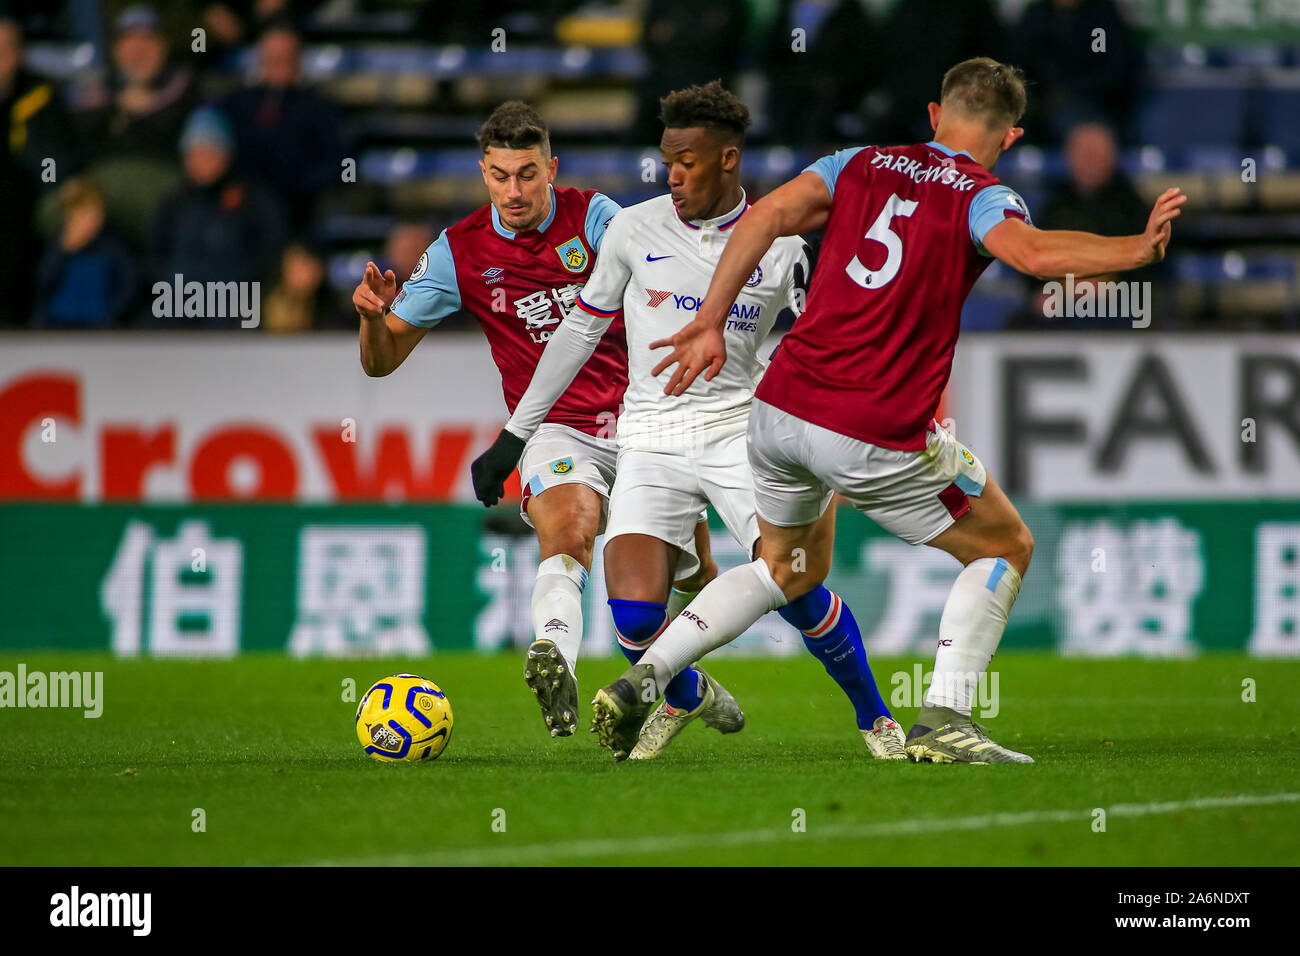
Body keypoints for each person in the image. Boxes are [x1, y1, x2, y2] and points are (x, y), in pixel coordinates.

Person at [591, 57, 1185, 763]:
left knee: (785, 569)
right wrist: (1135, 248)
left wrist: (713, 317)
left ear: (935, 117)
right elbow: (1030, 256)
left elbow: (770, 216)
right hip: (868, 426)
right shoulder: (984, 195)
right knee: (1005, 545)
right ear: (1011, 136)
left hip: (777, 409)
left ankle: (647, 675)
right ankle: (947, 718)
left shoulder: (857, 162)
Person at [475, 82, 904, 762]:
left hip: (744, 434)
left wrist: (820, 443)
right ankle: (687, 692)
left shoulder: (783, 244)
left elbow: (808, 352)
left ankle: (875, 718)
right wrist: (515, 435)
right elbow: (579, 334)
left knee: (793, 581)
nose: (671, 175)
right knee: (635, 616)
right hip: (651, 436)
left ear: (728, 159)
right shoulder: (632, 230)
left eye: (688, 162)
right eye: (667, 159)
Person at [354, 101, 724, 739]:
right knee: (569, 532)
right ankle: (556, 654)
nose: (514, 190)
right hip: (552, 427)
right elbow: (381, 362)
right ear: (483, 173)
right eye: (499, 176)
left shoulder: (599, 220)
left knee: (691, 578)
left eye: (527, 174)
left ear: (551, 169)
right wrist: (369, 318)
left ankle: (685, 687)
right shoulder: (458, 253)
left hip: (646, 420)